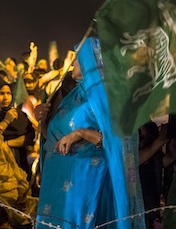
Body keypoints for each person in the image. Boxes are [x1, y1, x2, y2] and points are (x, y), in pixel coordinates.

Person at [35, 37, 144, 228]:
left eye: (77, 58)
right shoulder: (72, 96)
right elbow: (55, 140)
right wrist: (42, 121)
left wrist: (82, 133)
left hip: (84, 183)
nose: (72, 62)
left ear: (91, 61)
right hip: (56, 185)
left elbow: (119, 140)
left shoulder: (108, 98)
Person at [0, 78, 35, 177]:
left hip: (19, 161)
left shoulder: (19, 115)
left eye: (8, 93)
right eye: (1, 93)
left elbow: (30, 137)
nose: (5, 97)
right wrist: (6, 121)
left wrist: (6, 144)